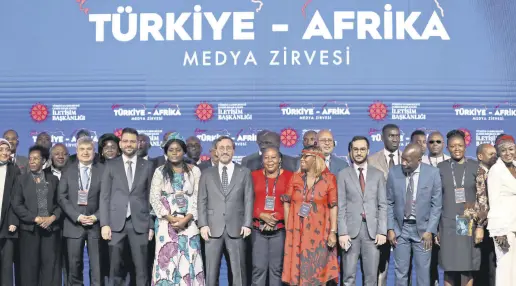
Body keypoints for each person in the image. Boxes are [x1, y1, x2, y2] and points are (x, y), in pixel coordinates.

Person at [100, 128, 155, 285]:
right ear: (120, 143)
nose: (129, 144)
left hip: (140, 223)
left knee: (142, 270)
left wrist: (151, 225)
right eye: (126, 141)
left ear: (138, 144)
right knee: (115, 270)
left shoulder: (148, 166)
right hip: (115, 224)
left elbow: (152, 198)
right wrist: (104, 224)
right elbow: (104, 197)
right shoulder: (110, 165)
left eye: (132, 141)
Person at [197, 136, 253, 286]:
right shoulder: (207, 173)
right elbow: (202, 199)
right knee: (211, 273)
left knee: (238, 274)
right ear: (216, 151)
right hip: (212, 229)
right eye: (221, 148)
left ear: (234, 151)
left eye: (228, 148)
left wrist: (247, 224)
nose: (225, 151)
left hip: (237, 228)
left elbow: (248, 199)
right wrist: (202, 224)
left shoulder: (244, 172)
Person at [149, 132, 204, 285]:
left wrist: (186, 219)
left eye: (178, 149)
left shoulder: (194, 171)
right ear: (166, 152)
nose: (175, 153)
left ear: (184, 151)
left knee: (190, 259)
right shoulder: (159, 171)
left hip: (189, 223)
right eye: (171, 150)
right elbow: (154, 198)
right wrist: (170, 218)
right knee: (167, 261)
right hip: (166, 224)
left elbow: (198, 197)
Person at [282, 146, 339, 285]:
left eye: (306, 156)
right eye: (301, 156)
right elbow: (286, 202)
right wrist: (288, 226)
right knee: (298, 272)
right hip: (297, 232)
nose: (302, 159)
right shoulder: (295, 178)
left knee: (318, 273)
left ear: (316, 158)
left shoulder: (329, 179)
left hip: (319, 234)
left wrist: (333, 232)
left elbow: (333, 206)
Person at [386, 144, 442, 286]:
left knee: (423, 273)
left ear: (419, 159)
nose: (404, 163)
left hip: (423, 231)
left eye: (408, 160)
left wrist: (430, 230)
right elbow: (389, 202)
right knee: (401, 273)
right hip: (401, 229)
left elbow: (436, 205)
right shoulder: (394, 172)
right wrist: (390, 229)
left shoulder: (433, 173)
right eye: (403, 159)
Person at [337, 136, 387, 286]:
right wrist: (342, 232)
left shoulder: (378, 175)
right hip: (350, 233)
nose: (359, 153)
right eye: (356, 149)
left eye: (362, 149)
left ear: (368, 151)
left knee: (371, 277)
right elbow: (341, 205)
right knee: (348, 276)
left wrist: (382, 231)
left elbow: (383, 205)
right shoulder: (343, 174)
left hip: (372, 232)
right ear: (351, 152)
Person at [436, 130, 483, 286]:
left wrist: (480, 225)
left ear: (466, 146)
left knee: (466, 266)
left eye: (460, 145)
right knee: (449, 267)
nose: (457, 149)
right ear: (447, 148)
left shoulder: (476, 166)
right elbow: (435, 199)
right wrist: (436, 228)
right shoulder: (440, 167)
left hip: (467, 222)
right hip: (447, 222)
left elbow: (482, 197)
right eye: (453, 146)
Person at [12, 145, 63, 286]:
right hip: (29, 230)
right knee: (29, 269)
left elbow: (60, 204)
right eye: (30, 159)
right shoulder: (21, 180)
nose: (32, 161)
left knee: (50, 269)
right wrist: (35, 218)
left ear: (44, 161)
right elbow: (17, 205)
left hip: (50, 231)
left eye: (36, 158)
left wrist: (52, 218)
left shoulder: (53, 180)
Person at [58, 137, 104, 286]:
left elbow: (108, 198)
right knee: (74, 267)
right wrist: (76, 216)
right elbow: (61, 197)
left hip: (96, 225)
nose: (85, 152)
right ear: (76, 151)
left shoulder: (103, 170)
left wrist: (96, 217)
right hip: (73, 225)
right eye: (82, 149)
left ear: (94, 151)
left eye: (89, 149)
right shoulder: (68, 170)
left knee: (97, 267)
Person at [251, 147, 293, 286]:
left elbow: (293, 202)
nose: (270, 161)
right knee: (258, 269)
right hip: (258, 229)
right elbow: (246, 201)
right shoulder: (253, 176)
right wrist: (261, 215)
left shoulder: (289, 176)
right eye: (266, 157)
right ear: (262, 159)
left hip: (279, 229)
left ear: (280, 159)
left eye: (273, 157)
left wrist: (276, 217)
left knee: (276, 270)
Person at [368, 123, 401, 286]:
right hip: (379, 220)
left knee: (404, 268)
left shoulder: (409, 158)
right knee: (380, 266)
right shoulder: (372, 160)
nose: (395, 139)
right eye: (391, 136)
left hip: (403, 221)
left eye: (397, 136)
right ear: (382, 137)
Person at [487, 135, 516, 286]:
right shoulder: (496, 171)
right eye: (503, 150)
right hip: (504, 227)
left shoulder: (515, 166)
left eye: (511, 149)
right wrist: (498, 231)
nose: (508, 153)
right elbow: (494, 201)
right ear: (498, 152)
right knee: (505, 267)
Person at [474, 143, 497, 286]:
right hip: (481, 226)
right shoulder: (478, 173)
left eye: (495, 153)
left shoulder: (495, 172)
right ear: (480, 156)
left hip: (493, 225)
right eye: (491, 154)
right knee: (481, 265)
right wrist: (480, 225)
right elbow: (481, 200)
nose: (495, 156)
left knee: (491, 265)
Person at [0, 139, 19, 286]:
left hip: (7, 226)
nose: (5, 153)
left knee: (6, 268)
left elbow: (16, 199)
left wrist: (13, 220)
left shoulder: (14, 170)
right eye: (1, 150)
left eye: (8, 150)